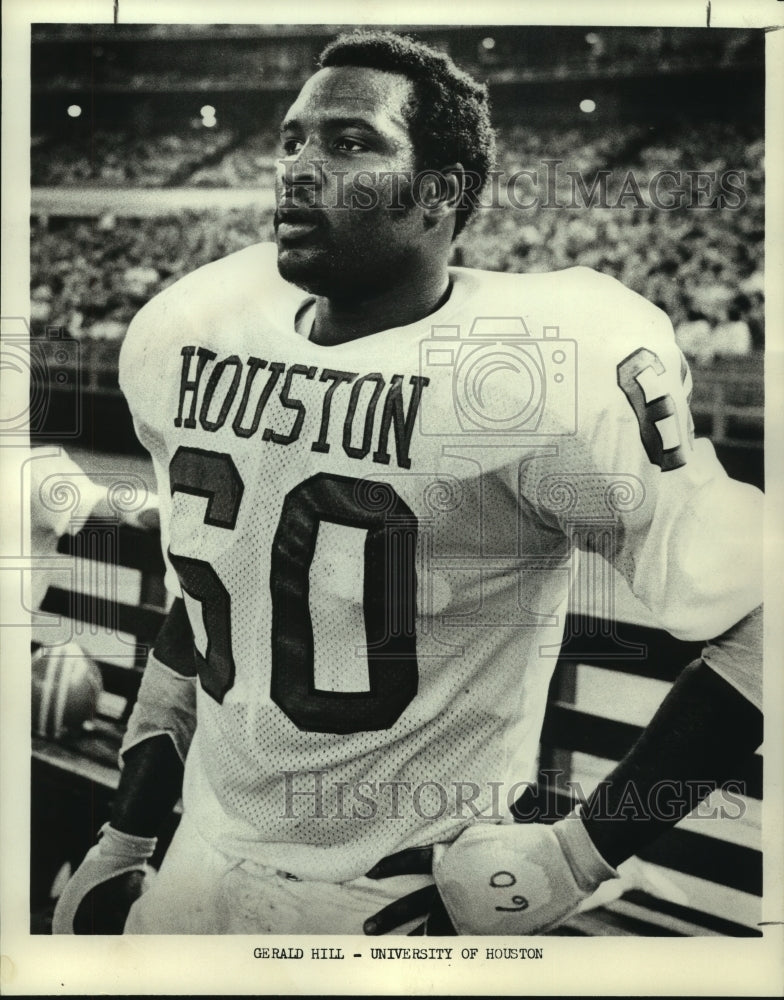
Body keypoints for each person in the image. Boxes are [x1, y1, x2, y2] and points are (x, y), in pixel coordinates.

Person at [53, 30, 763, 937]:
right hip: (193, 862)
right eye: (291, 139)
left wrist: (573, 859)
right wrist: (125, 837)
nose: (299, 168)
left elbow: (765, 616)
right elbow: (203, 606)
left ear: (441, 191)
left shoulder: (538, 368)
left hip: (392, 900)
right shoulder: (197, 331)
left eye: (350, 142)